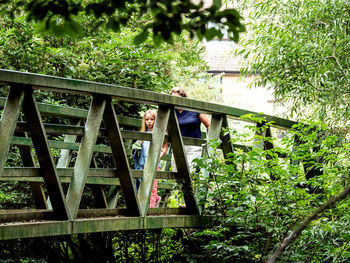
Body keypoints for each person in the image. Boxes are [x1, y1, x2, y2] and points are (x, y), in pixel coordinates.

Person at [132, 109, 167, 208]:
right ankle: (145, 204)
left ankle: (151, 208)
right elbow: (139, 146)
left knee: (152, 186)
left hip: (155, 163)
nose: (149, 122)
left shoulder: (160, 133)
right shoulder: (143, 133)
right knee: (142, 184)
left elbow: (165, 146)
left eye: (152, 119)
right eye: (147, 119)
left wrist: (159, 156)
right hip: (143, 163)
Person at [170, 87, 210, 171]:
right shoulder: (171, 112)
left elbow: (209, 125)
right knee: (177, 172)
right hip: (177, 146)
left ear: (184, 98)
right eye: (172, 98)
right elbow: (166, 129)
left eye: (177, 98)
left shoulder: (195, 109)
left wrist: (209, 144)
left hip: (194, 146)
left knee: (191, 171)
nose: (175, 101)